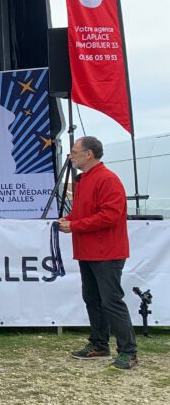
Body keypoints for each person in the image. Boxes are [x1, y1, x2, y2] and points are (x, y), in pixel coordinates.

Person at [59, 136, 138, 370]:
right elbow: (84, 212)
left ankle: (128, 352)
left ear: (89, 154)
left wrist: (74, 225)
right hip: (89, 251)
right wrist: (68, 219)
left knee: (111, 301)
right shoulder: (84, 180)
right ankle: (99, 343)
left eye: (74, 151)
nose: (71, 156)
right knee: (93, 299)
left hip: (107, 252)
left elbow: (110, 216)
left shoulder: (107, 179)